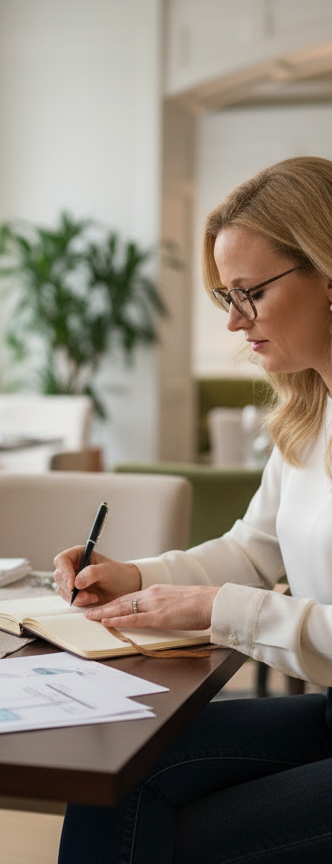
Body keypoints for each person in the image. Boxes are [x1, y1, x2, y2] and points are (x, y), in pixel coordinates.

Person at [53, 156, 332, 864]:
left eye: (249, 293)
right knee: (113, 770)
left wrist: (218, 609)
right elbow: (250, 549)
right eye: (223, 297)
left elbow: (233, 590)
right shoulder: (310, 415)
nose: (235, 321)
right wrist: (137, 578)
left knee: (172, 844)